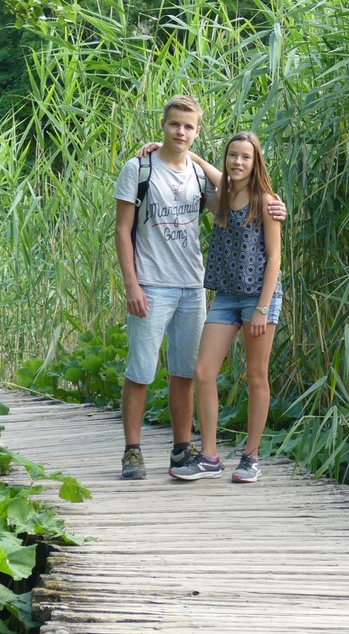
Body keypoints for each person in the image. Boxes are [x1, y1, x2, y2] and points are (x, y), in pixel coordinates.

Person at [114, 97, 285, 480]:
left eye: (188, 127)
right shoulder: (141, 169)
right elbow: (122, 229)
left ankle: (203, 451)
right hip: (161, 286)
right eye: (174, 124)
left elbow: (243, 198)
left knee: (197, 373)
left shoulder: (214, 182)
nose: (180, 131)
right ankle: (142, 452)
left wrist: (277, 205)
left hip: (201, 288)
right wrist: (131, 283)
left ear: (197, 132)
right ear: (163, 125)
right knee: (153, 370)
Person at [168, 131, 282, 483]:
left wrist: (263, 308)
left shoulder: (266, 202)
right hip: (226, 298)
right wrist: (175, 151)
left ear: (256, 162)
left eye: (245, 157)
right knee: (203, 372)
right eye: (233, 155)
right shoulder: (222, 197)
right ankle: (210, 457)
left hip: (258, 298)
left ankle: (251, 457)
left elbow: (275, 257)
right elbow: (210, 171)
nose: (238, 162)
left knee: (256, 375)